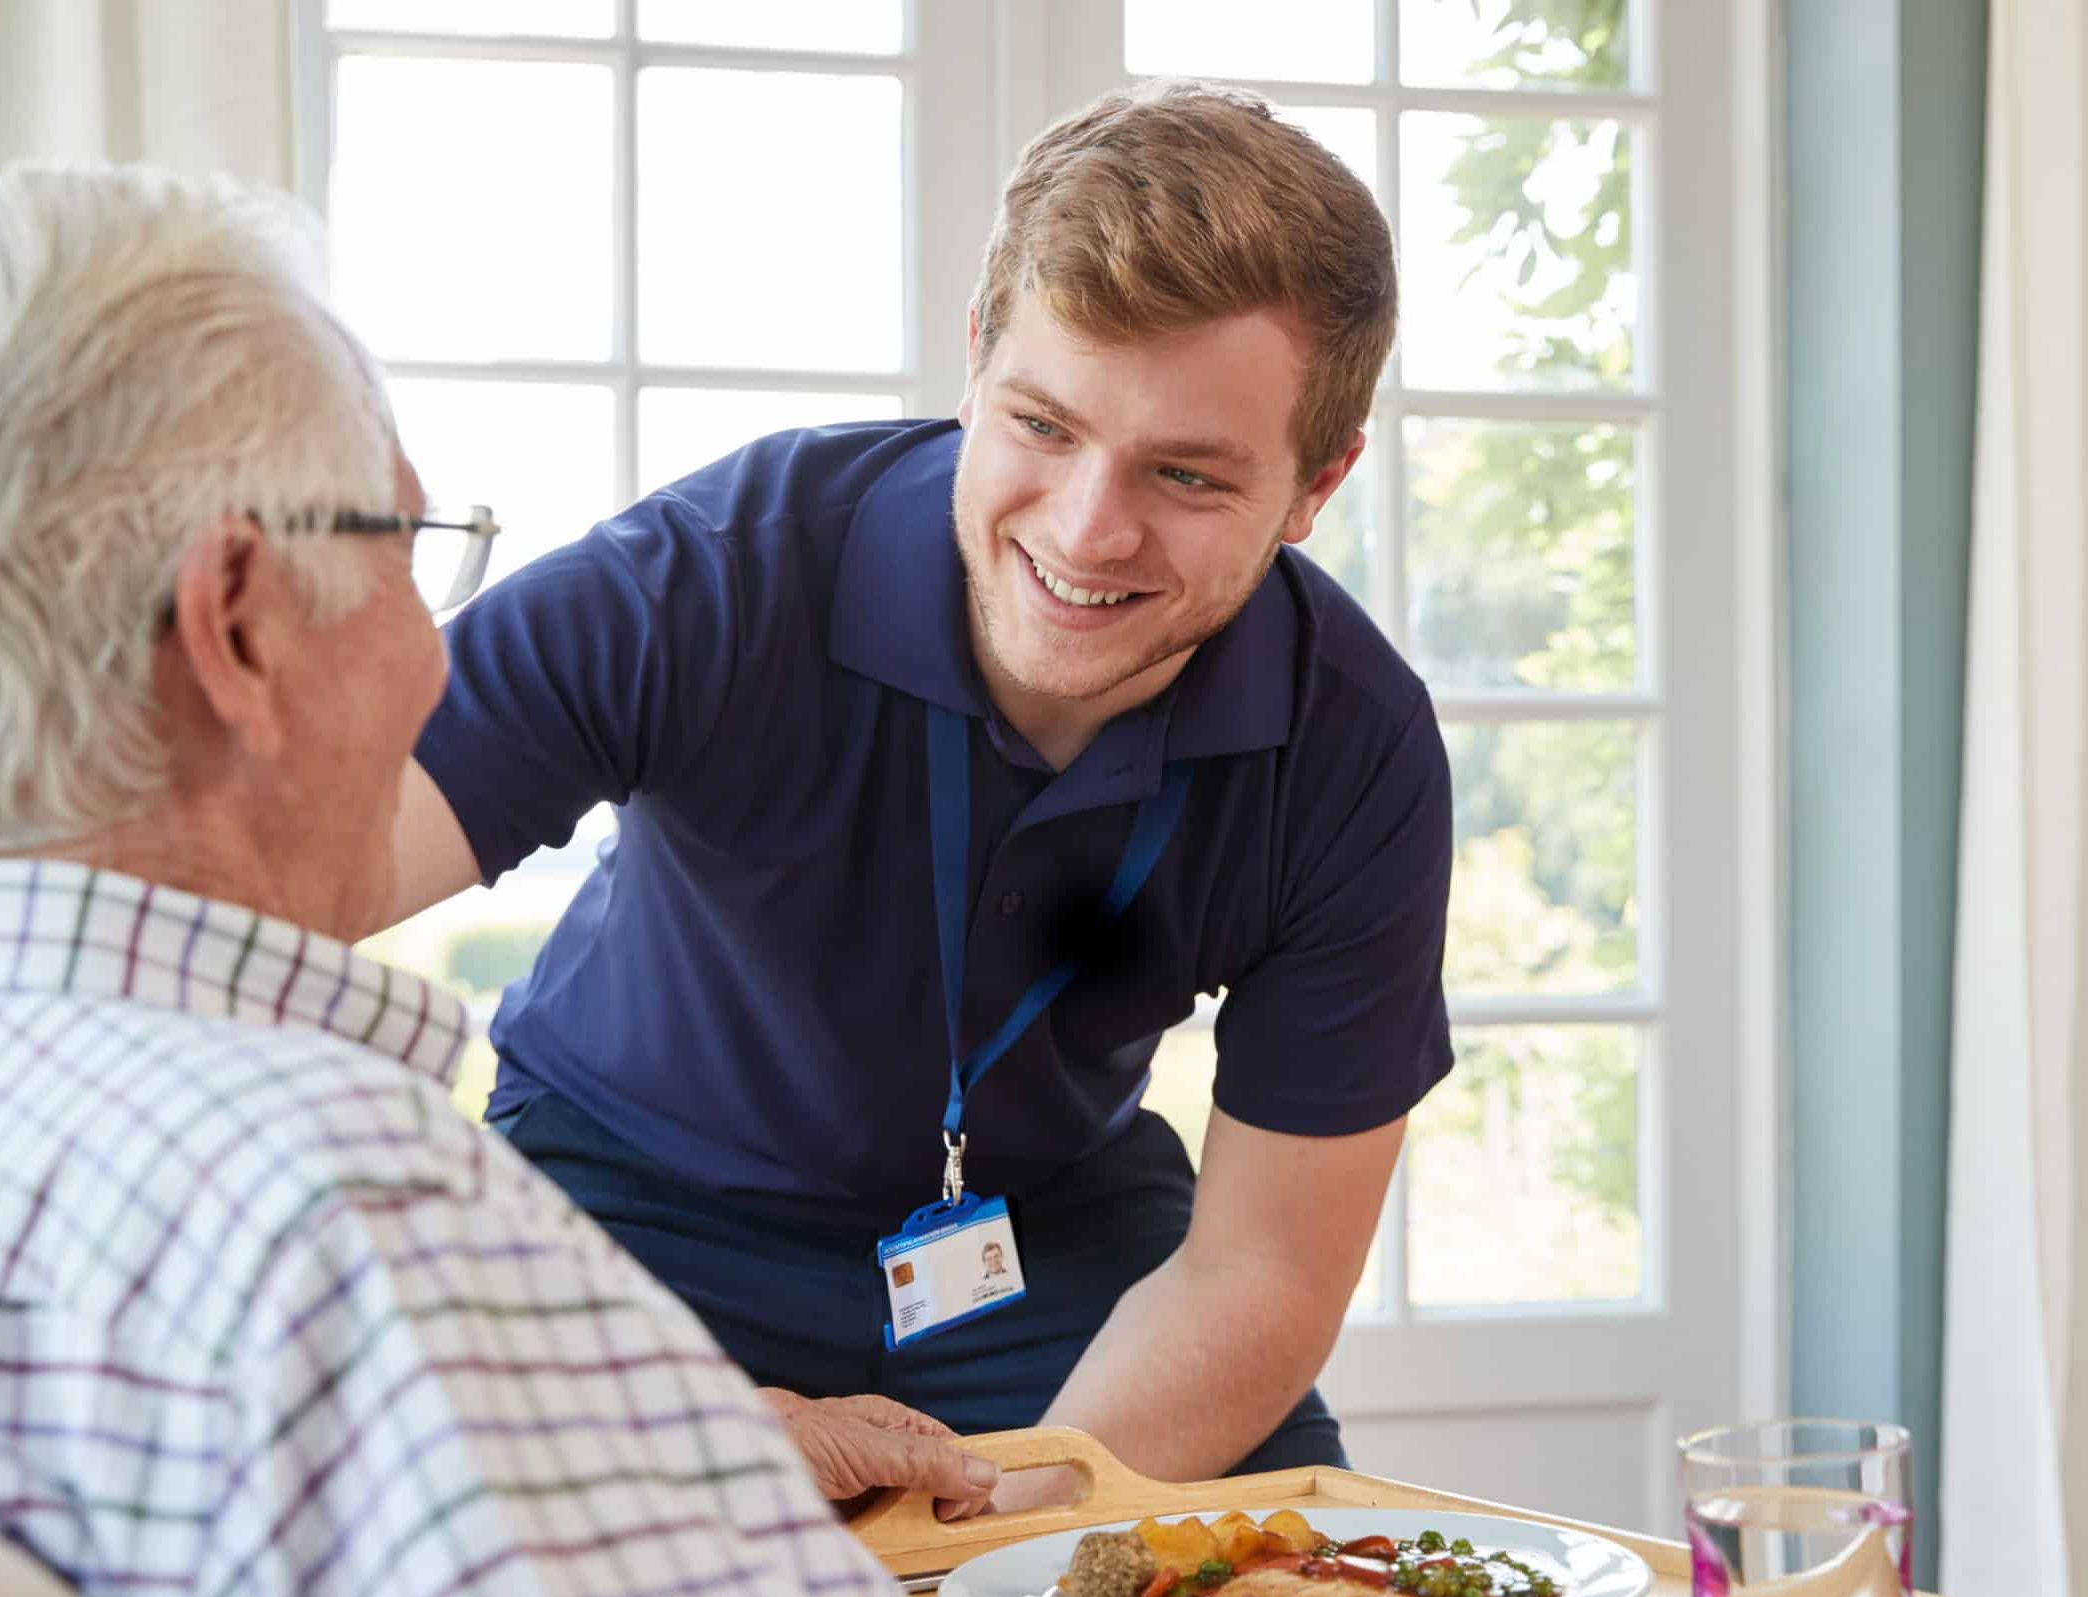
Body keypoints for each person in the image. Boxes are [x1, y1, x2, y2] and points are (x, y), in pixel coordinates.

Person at [0, 162, 970, 1597]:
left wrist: (593, 1441)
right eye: (407, 548)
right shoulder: (337, 1207)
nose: (439, 655)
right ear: (235, 619)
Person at [388, 80, 1453, 1497]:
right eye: (1042, 426)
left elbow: (1261, 1269)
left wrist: (1011, 1525)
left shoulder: (1354, 742)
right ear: (975, 363)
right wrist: (656, 1440)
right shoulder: (709, 577)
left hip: (1043, 1236)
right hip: (624, 1206)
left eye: (1186, 474)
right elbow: (263, 872)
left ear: (1317, 484)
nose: (1086, 532)